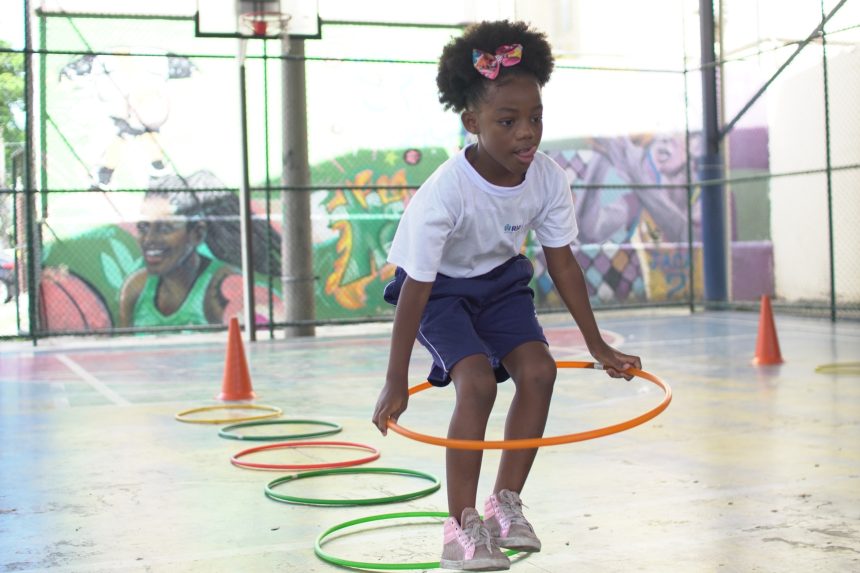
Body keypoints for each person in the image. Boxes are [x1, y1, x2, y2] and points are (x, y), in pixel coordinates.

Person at [371, 20, 641, 571]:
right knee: (475, 383)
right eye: (508, 121)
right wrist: (396, 378)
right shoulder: (446, 192)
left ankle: (505, 504)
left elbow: (562, 263)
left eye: (536, 117)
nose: (527, 133)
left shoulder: (547, 178)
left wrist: (597, 345)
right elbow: (416, 287)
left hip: (500, 284)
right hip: (440, 292)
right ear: (472, 123)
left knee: (540, 371)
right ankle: (461, 526)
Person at [118, 170, 282, 328]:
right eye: (143, 227)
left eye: (165, 228)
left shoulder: (221, 291)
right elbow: (123, 344)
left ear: (197, 234)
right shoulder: (137, 288)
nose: (149, 239)